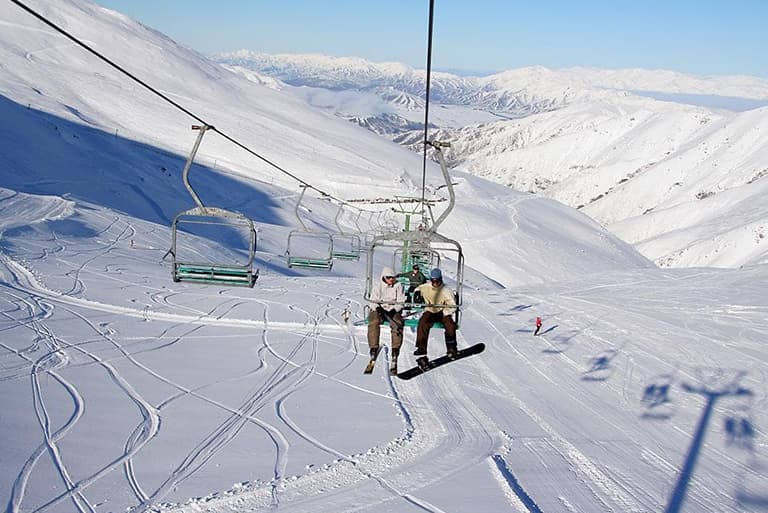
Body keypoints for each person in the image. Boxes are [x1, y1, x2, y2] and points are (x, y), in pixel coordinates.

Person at [413, 268, 457, 362]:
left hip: (443, 311)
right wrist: (417, 293)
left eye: (438, 281)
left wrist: (446, 312)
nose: (436, 283)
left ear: (441, 279)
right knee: (423, 323)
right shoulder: (426, 287)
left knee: (450, 325)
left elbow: (453, 306)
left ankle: (451, 348)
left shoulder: (446, 290)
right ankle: (421, 347)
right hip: (430, 310)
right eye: (433, 281)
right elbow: (418, 288)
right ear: (431, 280)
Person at [368, 266, 405, 367]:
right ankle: (373, 347)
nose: (391, 279)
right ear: (384, 277)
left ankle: (395, 349)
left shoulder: (398, 286)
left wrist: (394, 310)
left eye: (393, 277)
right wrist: (378, 308)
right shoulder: (378, 285)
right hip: (380, 308)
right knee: (374, 321)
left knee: (397, 323)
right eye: (389, 277)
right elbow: (373, 300)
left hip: (392, 309)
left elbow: (401, 301)